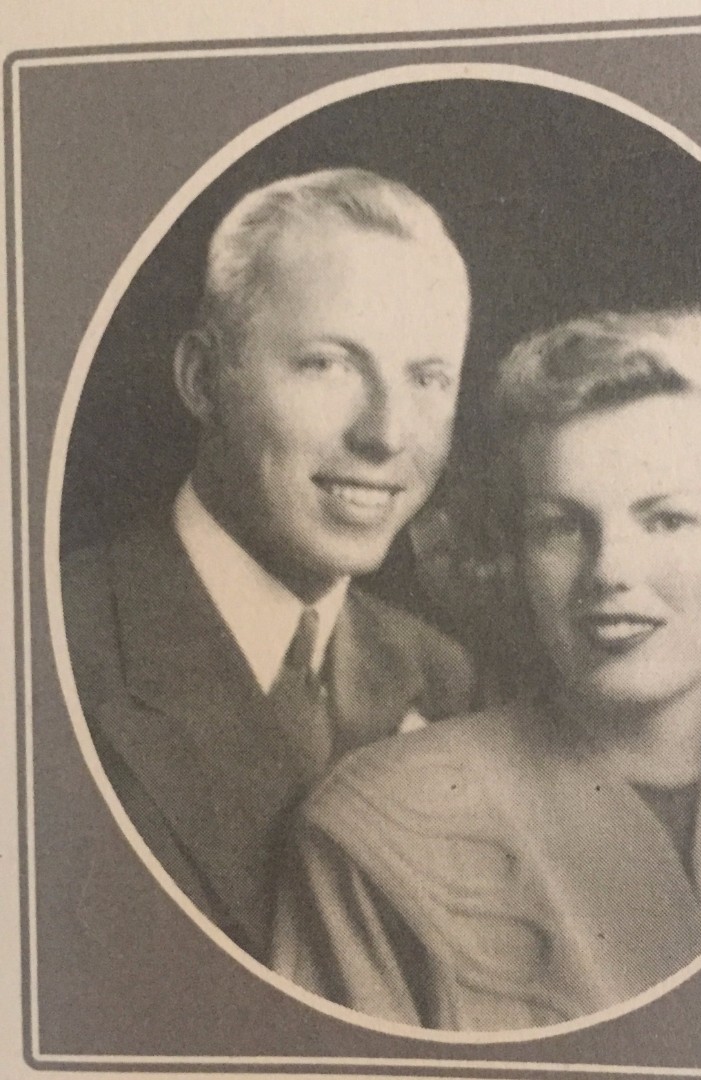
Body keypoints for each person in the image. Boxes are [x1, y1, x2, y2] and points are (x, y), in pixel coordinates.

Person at [272, 307, 701, 1031]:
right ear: (511, 554)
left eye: (667, 519)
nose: (609, 569)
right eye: (560, 526)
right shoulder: (379, 829)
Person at [61, 168, 476, 963]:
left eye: (427, 378)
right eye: (329, 364)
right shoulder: (52, 644)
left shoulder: (442, 676)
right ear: (202, 379)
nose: (387, 434)